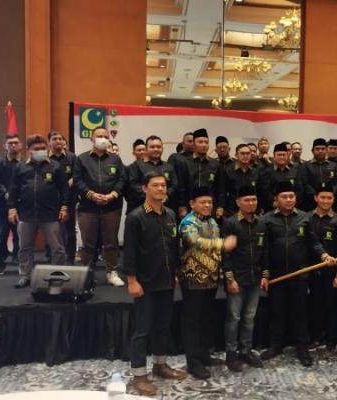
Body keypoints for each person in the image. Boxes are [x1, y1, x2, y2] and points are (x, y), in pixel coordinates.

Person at [260, 181, 336, 367]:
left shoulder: (304, 217)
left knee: (300, 313)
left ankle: (302, 348)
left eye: (291, 196)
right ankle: (275, 345)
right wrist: (265, 273)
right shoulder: (267, 220)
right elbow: (264, 250)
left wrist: (324, 255)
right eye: (284, 197)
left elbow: (313, 242)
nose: (288, 200)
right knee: (277, 312)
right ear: (276, 199)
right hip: (277, 276)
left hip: (300, 275)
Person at [124, 172, 185, 396]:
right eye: (155, 185)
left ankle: (160, 365)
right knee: (142, 330)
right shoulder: (135, 217)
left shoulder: (170, 214)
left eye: (163, 185)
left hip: (166, 280)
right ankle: (139, 375)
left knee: (162, 326)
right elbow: (129, 253)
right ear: (145, 189)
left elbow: (173, 247)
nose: (161, 189)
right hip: (145, 282)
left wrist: (175, 273)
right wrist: (132, 281)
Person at [179, 186, 237, 379]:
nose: (207, 205)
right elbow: (195, 241)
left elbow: (216, 252)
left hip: (211, 279)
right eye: (202, 202)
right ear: (192, 204)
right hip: (193, 279)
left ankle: (204, 355)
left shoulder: (212, 221)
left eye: (209, 202)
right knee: (192, 321)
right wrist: (222, 243)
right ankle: (193, 362)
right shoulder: (188, 222)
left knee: (205, 319)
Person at [8, 135, 69, 288]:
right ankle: (25, 275)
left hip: (50, 214)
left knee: (57, 248)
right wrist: (12, 208)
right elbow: (13, 190)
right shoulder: (20, 167)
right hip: (26, 214)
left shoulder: (55, 166)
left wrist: (64, 207)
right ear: (28, 150)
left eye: (43, 148)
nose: (40, 151)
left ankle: (57, 275)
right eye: (36, 149)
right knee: (24, 248)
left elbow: (64, 190)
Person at [73, 127, 126, 287]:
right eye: (99, 136)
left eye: (105, 136)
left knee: (111, 243)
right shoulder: (81, 159)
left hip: (111, 207)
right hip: (88, 207)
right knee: (88, 243)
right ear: (91, 138)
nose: (102, 138)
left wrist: (112, 195)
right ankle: (87, 274)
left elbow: (122, 179)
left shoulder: (115, 159)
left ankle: (112, 272)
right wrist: (91, 194)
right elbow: (77, 180)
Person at [221, 186, 267, 372]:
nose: (251, 203)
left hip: (255, 277)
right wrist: (229, 278)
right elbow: (226, 254)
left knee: (249, 317)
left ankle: (245, 350)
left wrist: (265, 275)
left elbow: (265, 250)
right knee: (234, 318)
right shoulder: (230, 223)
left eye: (254, 200)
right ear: (238, 202)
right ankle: (231, 354)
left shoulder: (262, 223)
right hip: (237, 279)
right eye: (247, 200)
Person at [308, 183, 337, 350]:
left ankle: (332, 338)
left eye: (329, 198)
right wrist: (322, 255)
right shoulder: (307, 218)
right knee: (314, 305)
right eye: (323, 197)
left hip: (331, 272)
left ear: (333, 199)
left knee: (331, 306)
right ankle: (316, 337)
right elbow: (310, 243)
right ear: (315, 198)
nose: (326, 201)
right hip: (312, 270)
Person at [177, 129, 224, 220]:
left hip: (209, 207)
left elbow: (220, 188)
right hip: (189, 206)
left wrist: (220, 206)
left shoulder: (215, 164)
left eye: (206, 142)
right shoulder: (184, 163)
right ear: (194, 144)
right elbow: (181, 186)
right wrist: (182, 205)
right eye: (200, 142)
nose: (204, 145)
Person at [127, 135, 178, 213]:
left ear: (162, 149)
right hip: (141, 209)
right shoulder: (136, 165)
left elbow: (174, 185)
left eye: (158, 147)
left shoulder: (168, 166)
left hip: (164, 209)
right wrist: (152, 196)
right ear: (146, 149)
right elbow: (133, 185)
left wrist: (166, 195)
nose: (156, 149)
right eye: (152, 147)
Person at [0, 134, 22, 275]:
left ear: (20, 145)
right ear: (5, 146)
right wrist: (5, 193)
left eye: (16, 143)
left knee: (19, 234)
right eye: (10, 143)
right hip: (2, 204)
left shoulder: (25, 163)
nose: (13, 145)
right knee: (1, 234)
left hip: (20, 204)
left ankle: (18, 260)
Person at [47, 131, 77, 264]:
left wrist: (73, 179)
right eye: (54, 139)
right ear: (49, 142)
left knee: (69, 230)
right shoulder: (45, 158)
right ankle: (50, 257)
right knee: (50, 230)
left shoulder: (72, 157)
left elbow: (78, 174)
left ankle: (70, 258)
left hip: (69, 199)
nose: (58, 141)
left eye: (60, 138)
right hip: (50, 201)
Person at [259, 142, 304, 214]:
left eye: (284, 155)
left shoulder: (294, 170)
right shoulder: (267, 171)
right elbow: (265, 191)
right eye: (279, 155)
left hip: (293, 207)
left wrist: (293, 202)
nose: (282, 157)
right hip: (273, 208)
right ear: (274, 156)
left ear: (287, 156)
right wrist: (276, 202)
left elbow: (299, 189)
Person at [302, 138, 337, 211]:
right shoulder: (306, 165)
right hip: (311, 202)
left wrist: (329, 195)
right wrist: (317, 196)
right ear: (312, 151)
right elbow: (305, 183)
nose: (320, 151)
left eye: (323, 149)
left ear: (326, 150)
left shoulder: (335, 166)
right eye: (317, 149)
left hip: (330, 202)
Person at [223, 144, 260, 216]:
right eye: (242, 153)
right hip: (233, 211)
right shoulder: (228, 171)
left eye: (248, 153)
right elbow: (223, 192)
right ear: (236, 155)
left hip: (251, 211)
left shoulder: (255, 172)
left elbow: (259, 192)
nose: (245, 156)